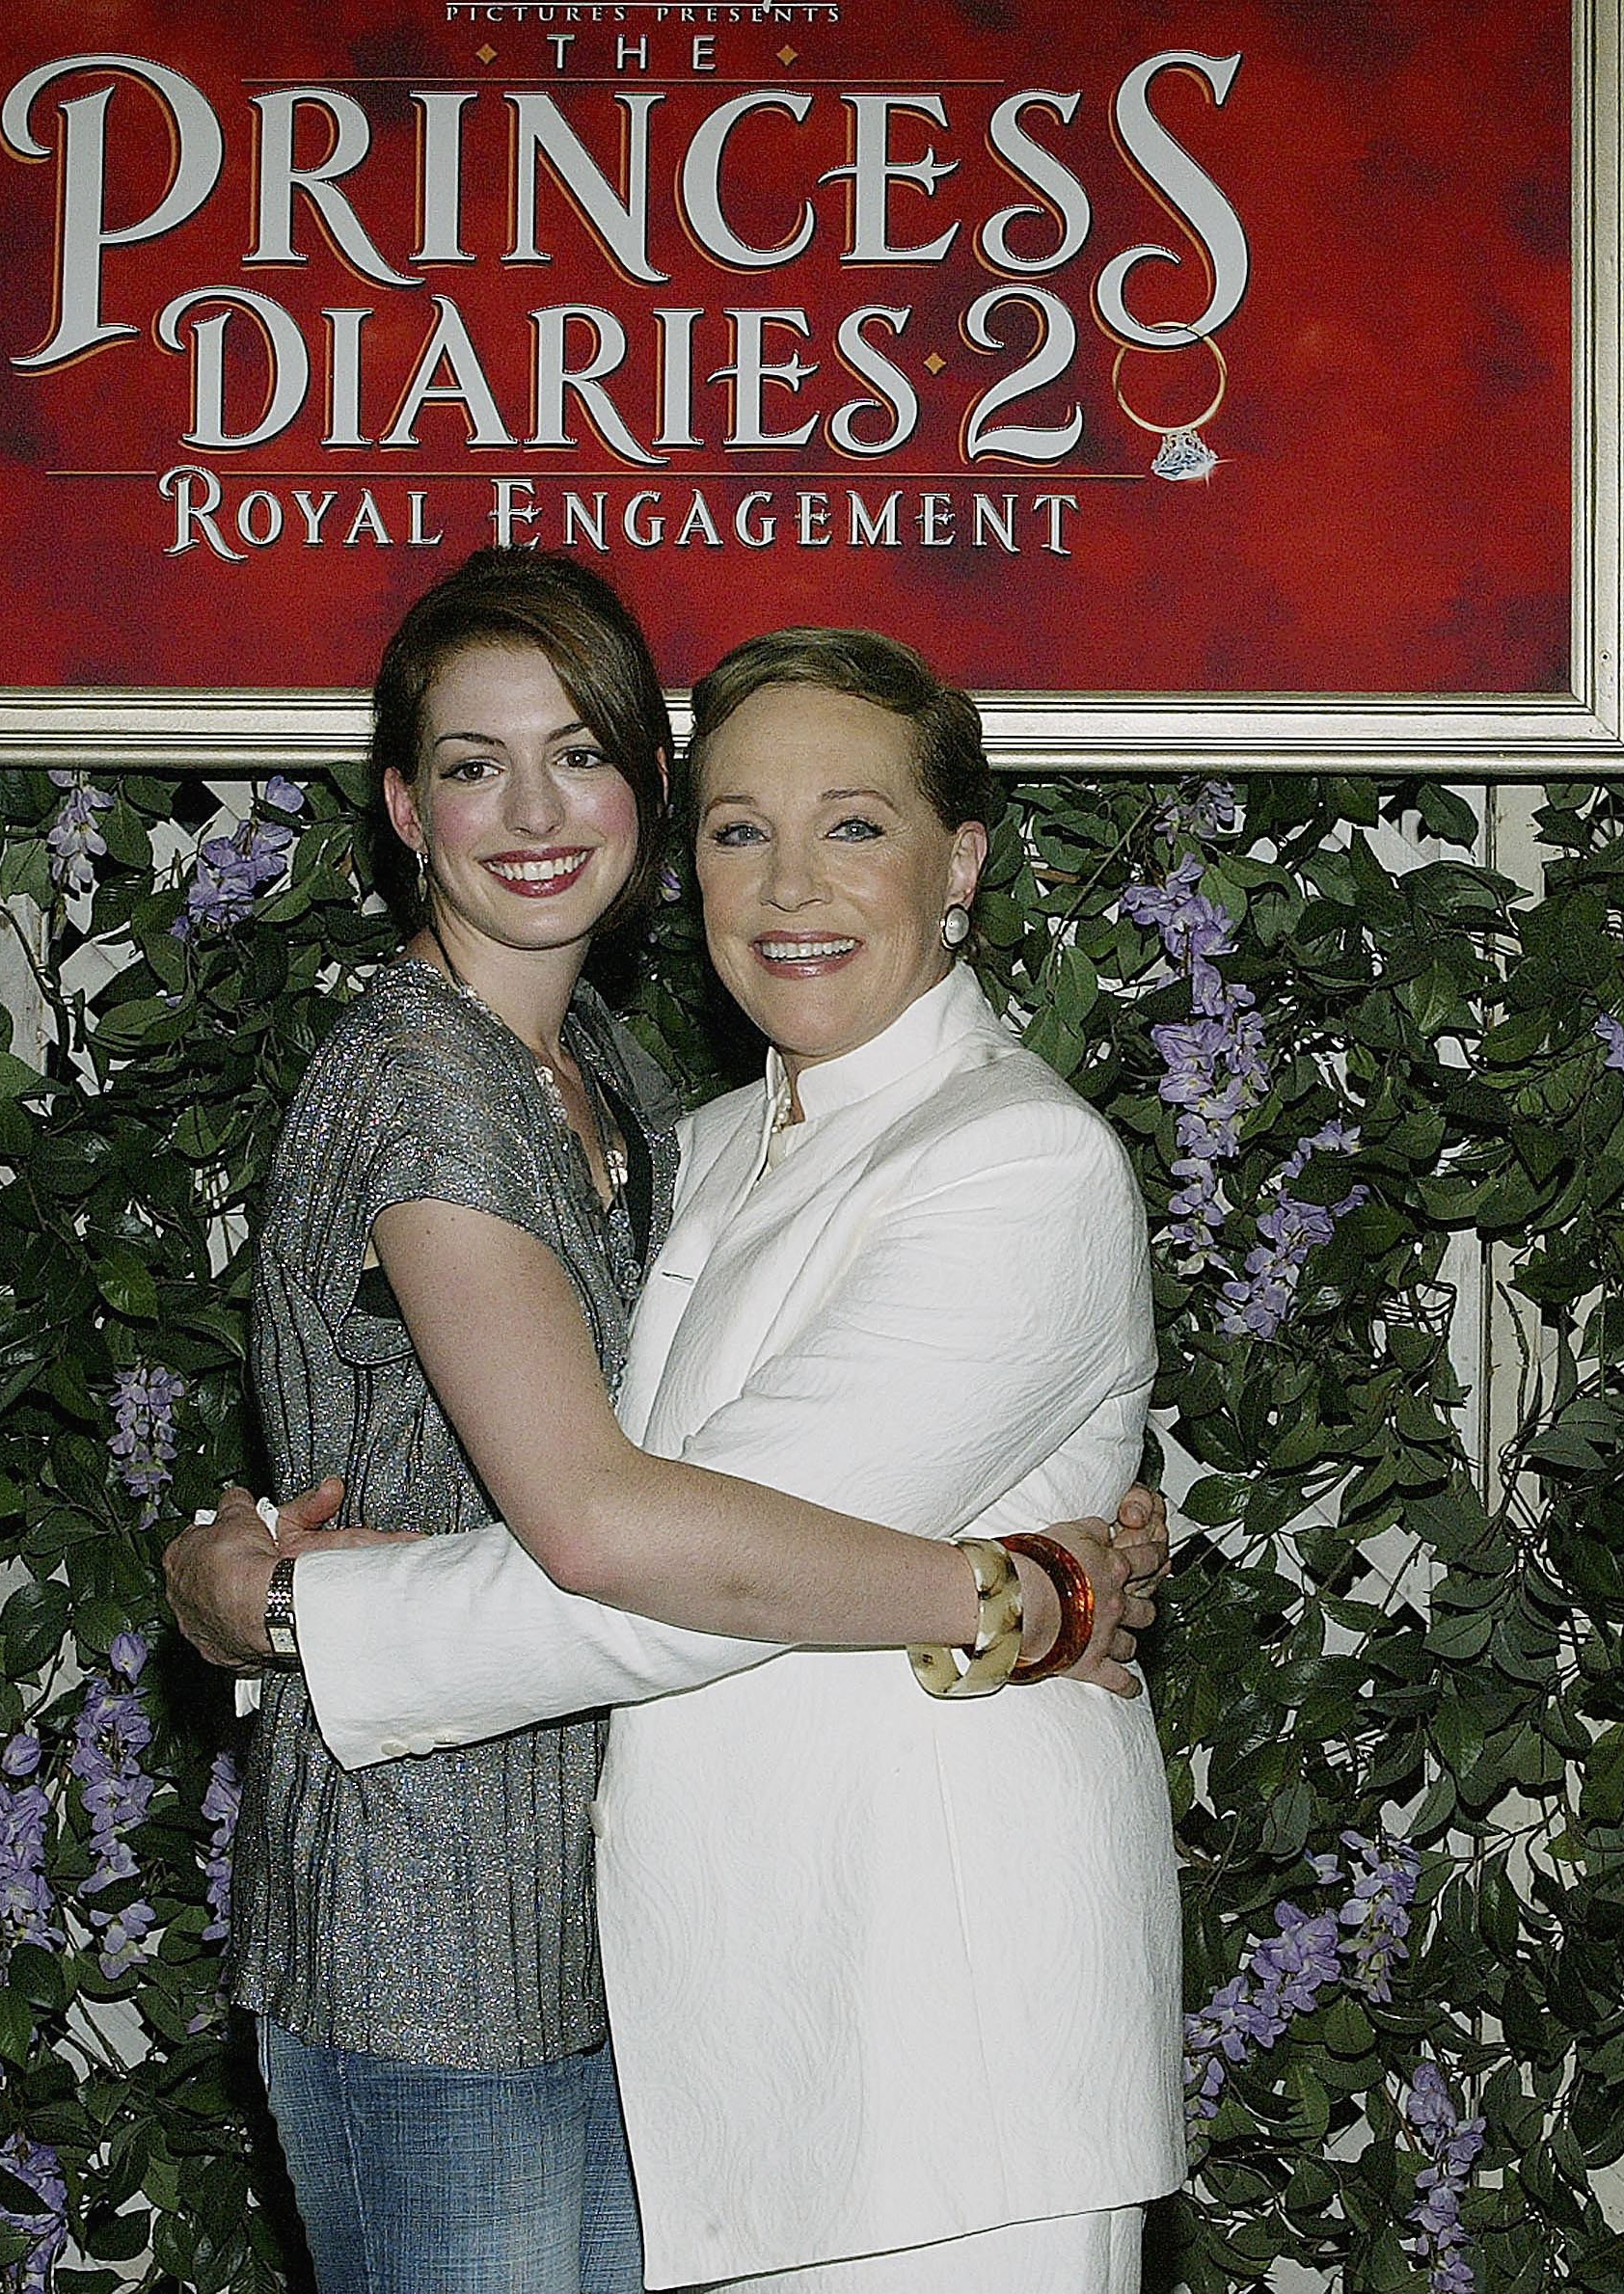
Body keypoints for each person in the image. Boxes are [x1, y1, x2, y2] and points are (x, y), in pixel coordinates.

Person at [175, 615, 1179, 2292]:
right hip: (716, 2037)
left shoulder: (1017, 1164)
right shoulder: (697, 1140)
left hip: (937, 2061)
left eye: (853, 825)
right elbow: (626, 1521)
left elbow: (670, 1573)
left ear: (961, 863)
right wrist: (1010, 1593)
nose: (791, 886)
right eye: (741, 830)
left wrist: (290, 1616)